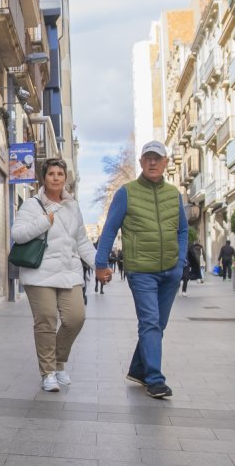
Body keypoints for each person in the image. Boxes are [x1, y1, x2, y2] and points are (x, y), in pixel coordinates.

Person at [94, 141, 187, 399]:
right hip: (141, 271)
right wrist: (101, 264)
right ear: (141, 163)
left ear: (166, 162)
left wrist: (180, 264)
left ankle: (138, 369)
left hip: (170, 269)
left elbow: (182, 230)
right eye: (148, 158)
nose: (153, 162)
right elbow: (110, 228)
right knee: (150, 323)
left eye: (158, 158)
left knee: (158, 324)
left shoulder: (173, 194)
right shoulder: (127, 192)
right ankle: (155, 380)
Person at [11, 158, 97, 393]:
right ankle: (48, 371)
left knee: (75, 318)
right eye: (51, 174)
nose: (56, 177)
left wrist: (99, 264)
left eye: (60, 173)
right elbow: (17, 234)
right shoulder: (32, 205)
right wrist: (43, 222)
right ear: (43, 178)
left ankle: (58, 362)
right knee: (47, 320)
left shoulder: (73, 207)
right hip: (39, 274)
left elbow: (81, 241)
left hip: (69, 272)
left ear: (65, 177)